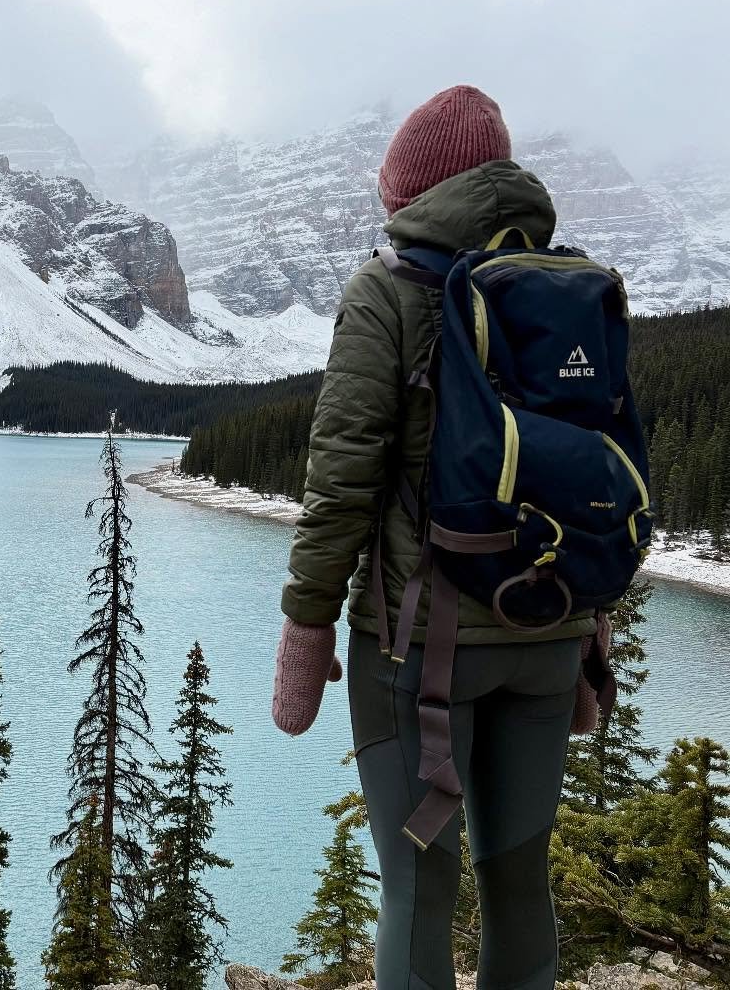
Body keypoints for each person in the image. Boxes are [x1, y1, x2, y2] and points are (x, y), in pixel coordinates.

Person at [272, 85, 608, 990]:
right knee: (518, 880)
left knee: (418, 889)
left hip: (419, 652)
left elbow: (340, 484)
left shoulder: (386, 291)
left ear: (413, 190)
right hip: (549, 633)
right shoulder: (568, 288)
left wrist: (306, 626)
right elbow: (589, 476)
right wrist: (590, 633)